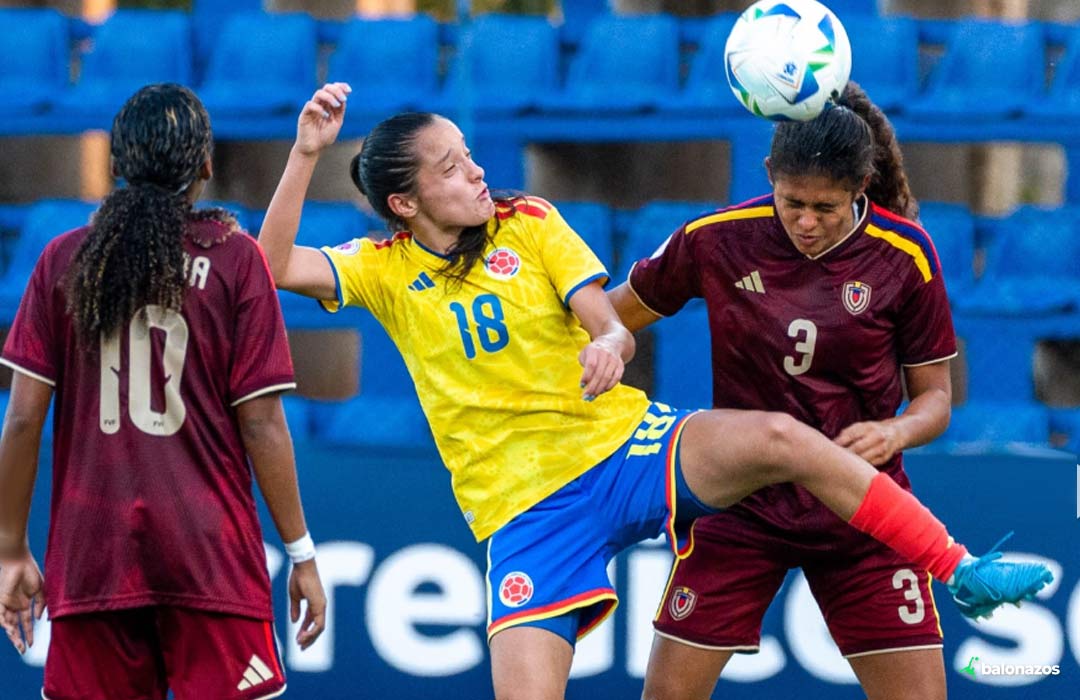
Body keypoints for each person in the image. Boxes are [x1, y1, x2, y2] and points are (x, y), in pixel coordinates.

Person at [257, 81, 1051, 700]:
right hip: (525, 514)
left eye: (470, 154)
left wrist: (609, 339)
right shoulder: (381, 269)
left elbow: (605, 316)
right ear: (405, 203)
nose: (477, 170)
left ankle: (959, 566)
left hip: (625, 449)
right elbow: (270, 265)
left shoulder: (527, 222)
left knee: (777, 435)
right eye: (453, 166)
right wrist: (303, 154)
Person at [608, 81, 1009, 700]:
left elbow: (935, 402)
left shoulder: (906, 255)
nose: (805, 222)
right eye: (791, 201)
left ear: (860, 187)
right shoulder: (715, 238)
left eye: (826, 208)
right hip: (738, 506)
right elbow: (613, 317)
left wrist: (894, 430)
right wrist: (592, 340)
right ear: (769, 173)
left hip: (861, 511)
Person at [0, 84, 326, 700]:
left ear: (117, 165)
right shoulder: (235, 260)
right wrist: (300, 552)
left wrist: (10, 548)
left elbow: (20, 421)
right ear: (206, 163)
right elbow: (262, 425)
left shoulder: (62, 260)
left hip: (92, 556)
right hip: (211, 558)